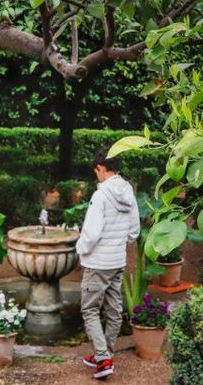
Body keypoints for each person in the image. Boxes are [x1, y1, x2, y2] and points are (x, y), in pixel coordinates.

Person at [77, 146, 140, 380]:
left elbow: (91, 234)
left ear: (101, 168)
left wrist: (80, 250)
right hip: (117, 260)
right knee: (114, 310)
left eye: (97, 172)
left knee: (90, 309)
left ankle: (103, 359)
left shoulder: (101, 195)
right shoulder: (128, 190)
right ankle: (106, 355)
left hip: (98, 263)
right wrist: (117, 244)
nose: (97, 176)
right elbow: (134, 231)